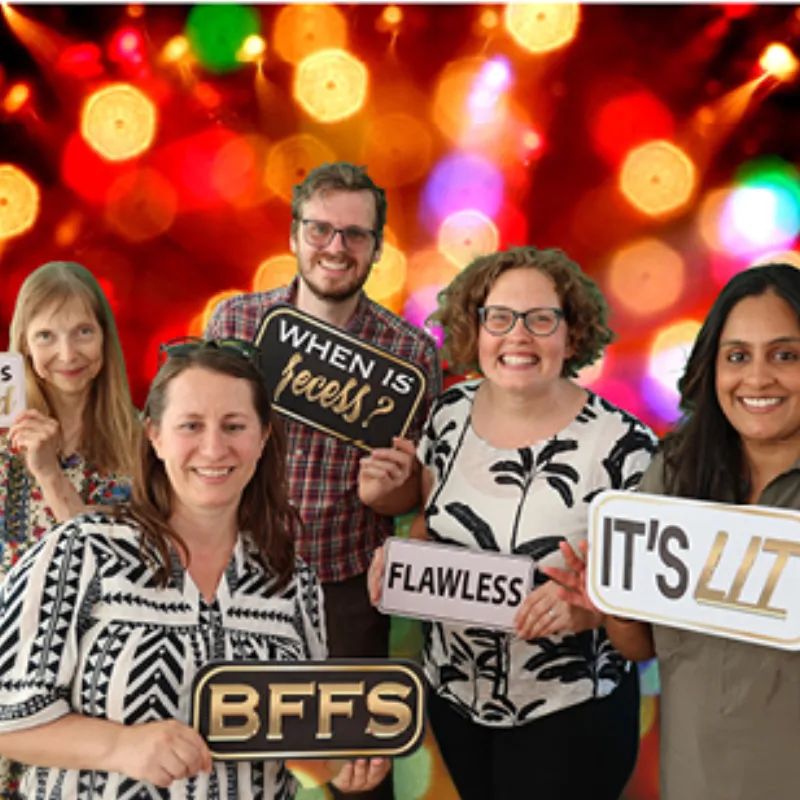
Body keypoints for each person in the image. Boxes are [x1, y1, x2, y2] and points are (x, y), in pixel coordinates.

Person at [0, 339, 390, 799]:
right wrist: (119, 747)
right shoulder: (81, 551)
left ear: (263, 437)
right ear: (154, 435)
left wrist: (336, 765)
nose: (213, 448)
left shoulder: (292, 581)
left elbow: (298, 743)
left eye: (234, 426)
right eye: (190, 425)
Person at [368, 246, 658, 799]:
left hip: (571, 713)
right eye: (499, 318)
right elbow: (432, 521)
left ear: (571, 334)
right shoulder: (447, 414)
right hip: (457, 699)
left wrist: (594, 606)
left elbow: (654, 596)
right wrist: (401, 564)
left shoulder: (626, 445)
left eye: (540, 319)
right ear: (475, 330)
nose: (518, 336)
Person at [549, 262, 800, 800]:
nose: (758, 379)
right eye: (738, 356)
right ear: (713, 366)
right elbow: (640, 643)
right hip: (694, 779)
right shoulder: (677, 470)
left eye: (786, 355)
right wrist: (611, 604)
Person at [205, 164, 440, 657]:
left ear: (377, 248)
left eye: (355, 234)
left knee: (341, 711)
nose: (336, 247)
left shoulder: (410, 353)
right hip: (234, 571)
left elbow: (416, 495)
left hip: (346, 588)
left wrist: (389, 490)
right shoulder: (236, 322)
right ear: (294, 236)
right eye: (320, 229)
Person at [0, 261, 139, 799]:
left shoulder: (145, 443)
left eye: (83, 331)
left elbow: (117, 575)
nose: (67, 353)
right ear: (24, 345)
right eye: (46, 336)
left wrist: (49, 475)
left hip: (96, 689)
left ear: (105, 336)